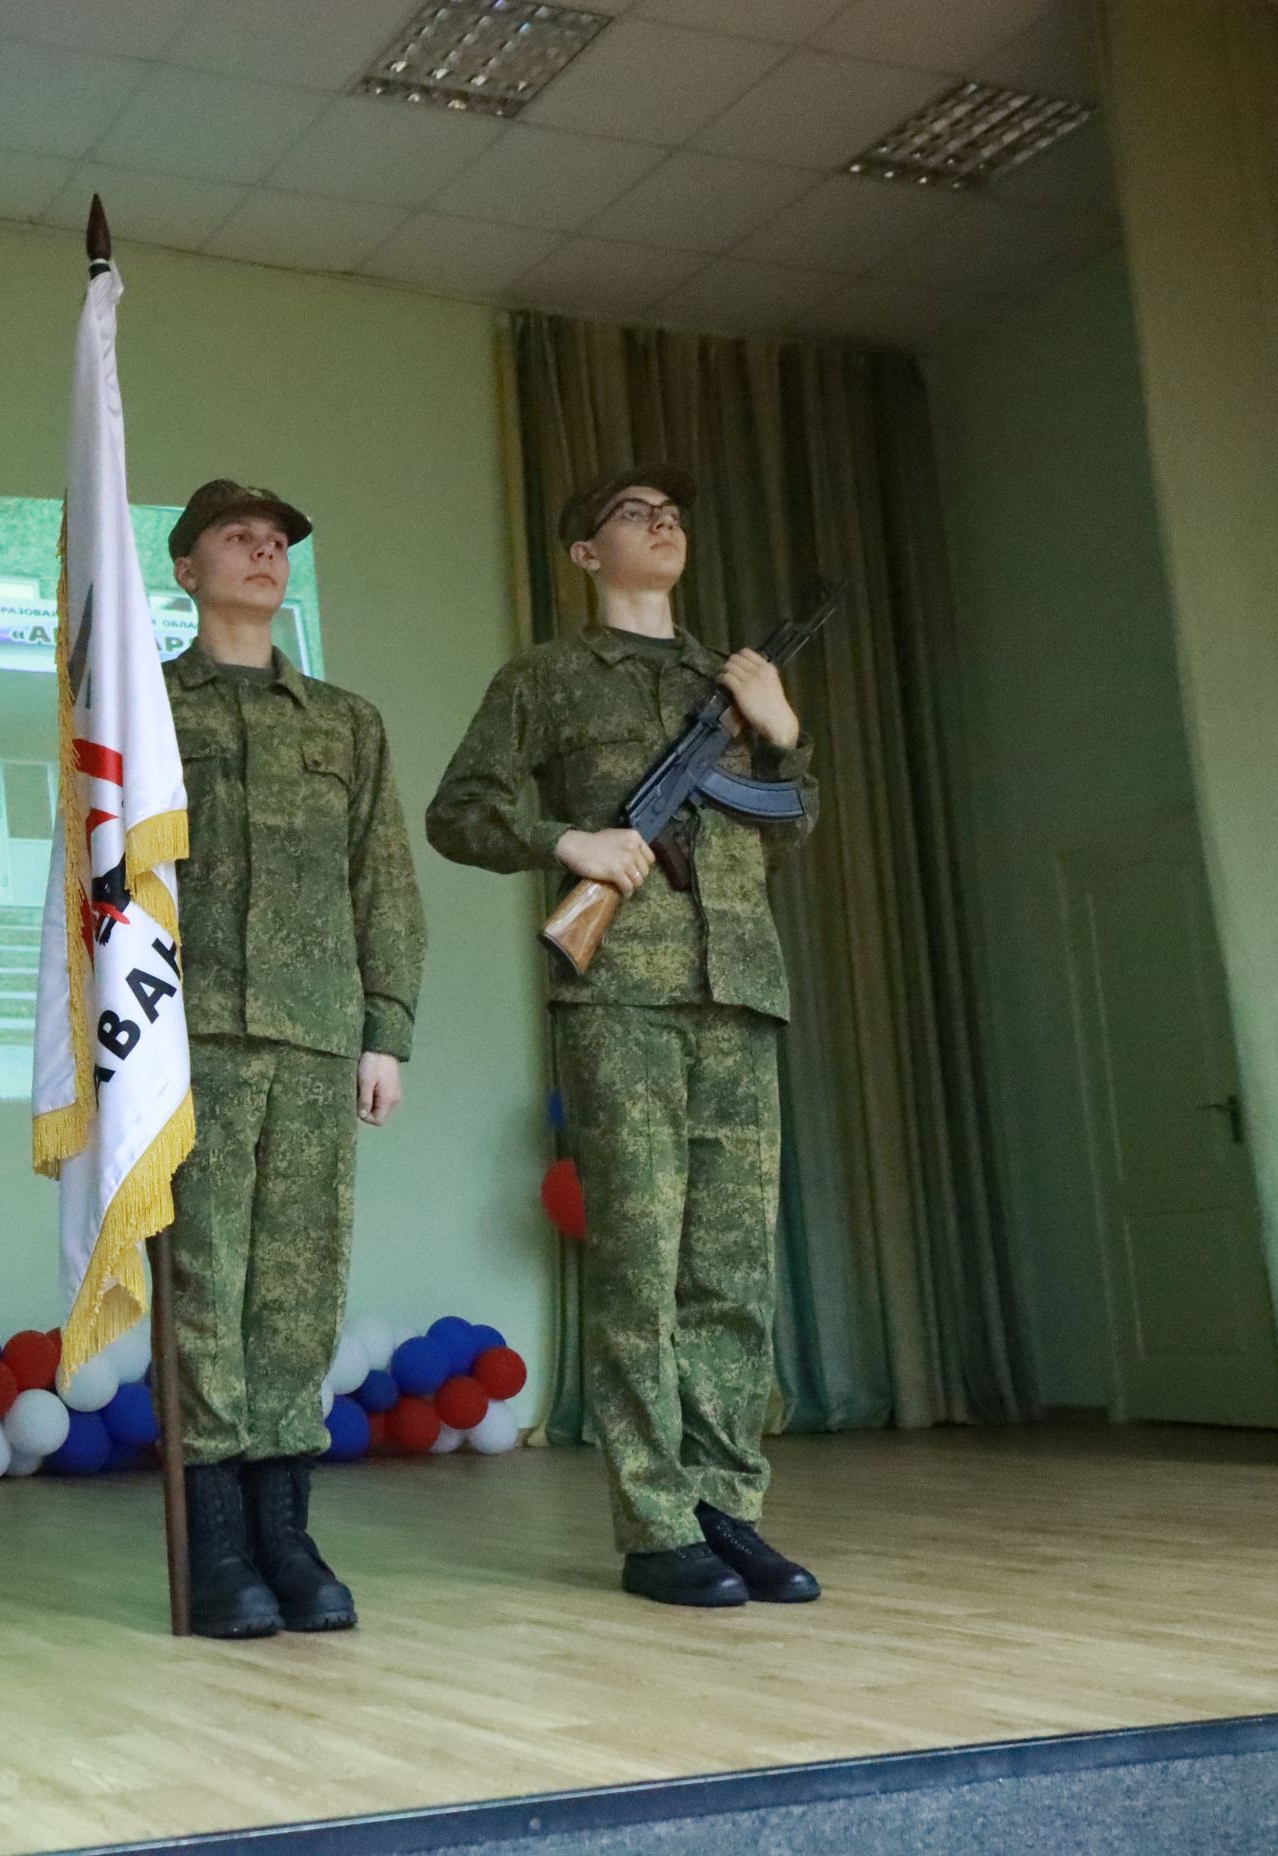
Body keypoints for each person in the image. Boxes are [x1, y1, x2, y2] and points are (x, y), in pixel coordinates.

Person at [424, 465, 823, 1609]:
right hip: (624, 998)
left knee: (733, 1269)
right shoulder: (546, 679)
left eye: (677, 514)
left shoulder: (734, 680)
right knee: (643, 1264)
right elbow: (462, 810)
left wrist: (783, 736)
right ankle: (656, 1520)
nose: (667, 525)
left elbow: (790, 829)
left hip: (740, 987)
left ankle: (729, 1507)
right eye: (635, 515)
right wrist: (571, 844)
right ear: (586, 552)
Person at [158, 480, 426, 1638]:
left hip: (318, 1036)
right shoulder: (141, 705)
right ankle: (217, 1539)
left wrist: (388, 1031)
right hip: (191, 1031)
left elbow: (386, 882)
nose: (265, 554)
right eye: (239, 537)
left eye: (280, 543)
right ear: (185, 567)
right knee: (208, 1286)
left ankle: (288, 1527)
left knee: (301, 1288)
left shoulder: (345, 721)